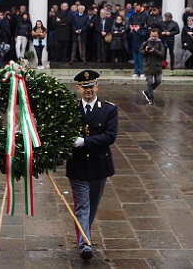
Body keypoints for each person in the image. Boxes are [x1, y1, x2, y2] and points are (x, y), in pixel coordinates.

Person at [69, 69, 118, 261]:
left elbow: (110, 136)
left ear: (97, 86)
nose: (88, 90)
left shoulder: (108, 109)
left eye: (91, 86)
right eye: (84, 87)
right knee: (82, 205)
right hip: (78, 166)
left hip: (99, 165)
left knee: (92, 206)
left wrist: (85, 142)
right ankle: (85, 245)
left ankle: (84, 234)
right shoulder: (71, 109)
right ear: (78, 88)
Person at [140, 29, 165, 105]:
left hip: (157, 66)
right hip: (148, 65)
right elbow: (141, 51)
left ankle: (147, 92)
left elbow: (162, 54)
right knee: (150, 82)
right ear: (150, 35)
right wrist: (146, 50)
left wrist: (154, 51)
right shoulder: (146, 43)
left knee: (158, 81)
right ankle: (151, 98)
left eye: (155, 36)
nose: (153, 38)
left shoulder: (160, 44)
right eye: (152, 36)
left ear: (158, 36)